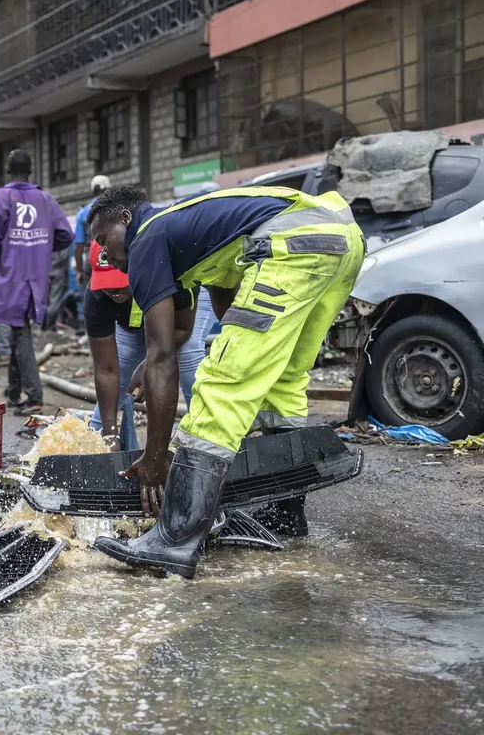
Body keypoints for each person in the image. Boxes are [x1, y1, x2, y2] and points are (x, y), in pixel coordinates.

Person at [87, 185, 365, 579]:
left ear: (126, 220)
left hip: (294, 248)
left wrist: (155, 457)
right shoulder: (191, 230)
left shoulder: (146, 235)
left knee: (221, 383)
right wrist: (153, 364)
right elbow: (224, 304)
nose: (105, 254)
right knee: (282, 380)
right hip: (341, 239)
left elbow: (164, 356)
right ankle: (286, 514)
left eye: (103, 239)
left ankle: (174, 538)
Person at [0, 149, 74, 414]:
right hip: (36, 276)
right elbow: (65, 234)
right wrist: (40, 247)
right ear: (30, 171)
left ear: (7, 170)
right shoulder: (45, 199)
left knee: (19, 331)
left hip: (9, 277)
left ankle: (35, 395)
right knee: (19, 328)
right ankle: (14, 390)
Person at [83, 240, 216, 446]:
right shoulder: (98, 296)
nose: (112, 289)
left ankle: (208, 437)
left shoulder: (172, 277)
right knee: (123, 361)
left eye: (118, 281)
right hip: (136, 311)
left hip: (184, 304)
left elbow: (181, 329)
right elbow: (107, 369)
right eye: (106, 282)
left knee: (187, 353)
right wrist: (110, 434)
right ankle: (99, 436)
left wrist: (150, 364)